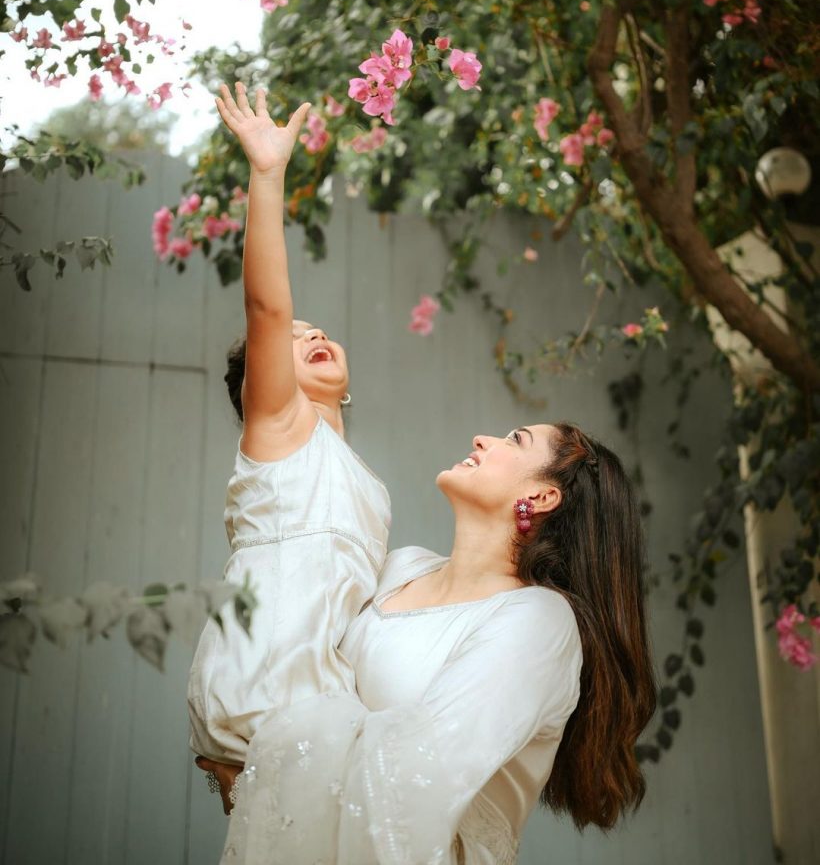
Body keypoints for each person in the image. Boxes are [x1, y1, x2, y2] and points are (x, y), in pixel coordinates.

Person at [213, 419, 657, 863]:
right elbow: (304, 652)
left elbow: (417, 775)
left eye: (515, 439)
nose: (481, 438)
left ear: (542, 497)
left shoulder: (540, 621)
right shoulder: (400, 568)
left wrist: (265, 762)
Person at [186, 82, 391, 773]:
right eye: (297, 340)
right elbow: (268, 308)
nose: (313, 335)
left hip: (330, 699)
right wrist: (267, 175)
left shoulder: (358, 473)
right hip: (264, 686)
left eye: (322, 332)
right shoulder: (278, 427)